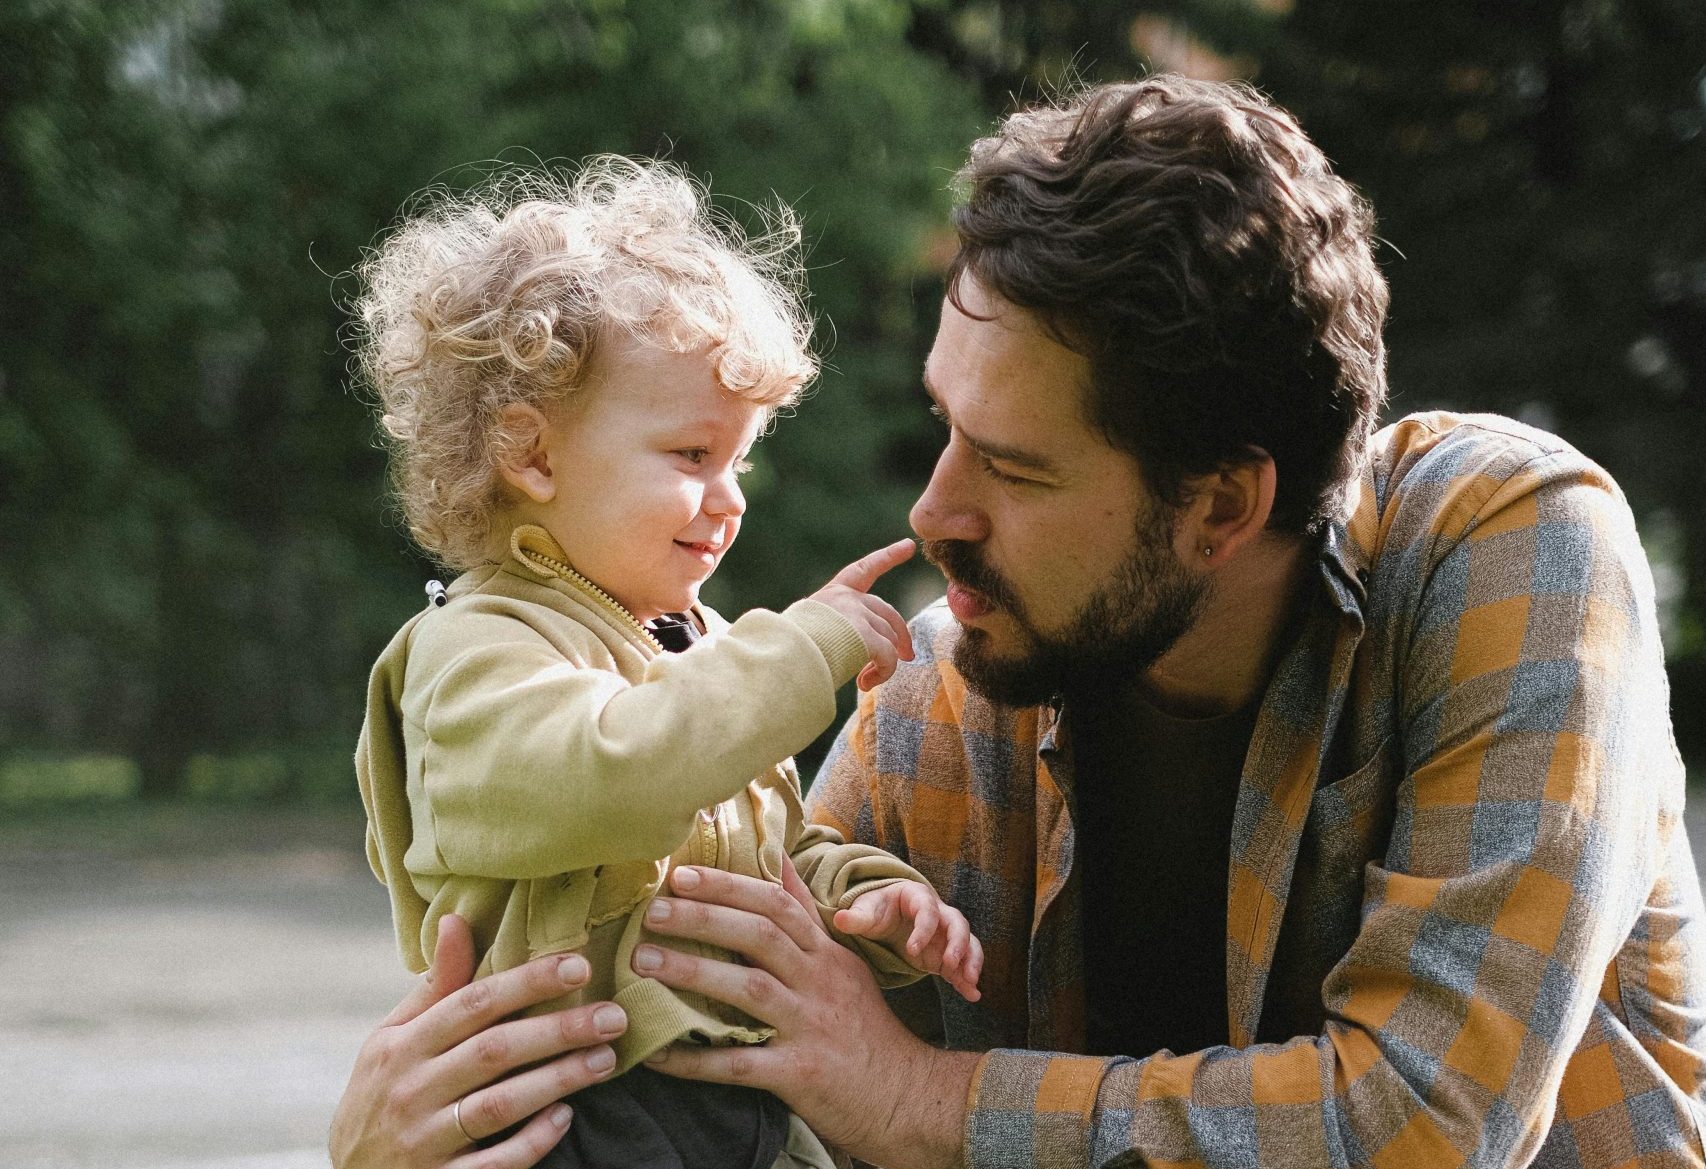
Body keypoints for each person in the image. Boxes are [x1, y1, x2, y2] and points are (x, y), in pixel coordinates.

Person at [332, 78, 1706, 1169]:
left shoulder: (1504, 546)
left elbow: (1422, 1129)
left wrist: (928, 1101)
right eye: (944, 426)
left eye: (1018, 465)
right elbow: (762, 1068)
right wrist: (414, 1145)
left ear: (1219, 503)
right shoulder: (950, 688)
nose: (934, 516)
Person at [347, 157, 982, 1169]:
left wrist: (862, 894)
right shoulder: (472, 651)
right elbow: (617, 775)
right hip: (573, 1112)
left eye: (740, 458)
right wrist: (805, 642)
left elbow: (747, 850)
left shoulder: (695, 646)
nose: (729, 495)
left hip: (723, 1105)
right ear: (534, 455)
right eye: (693, 456)